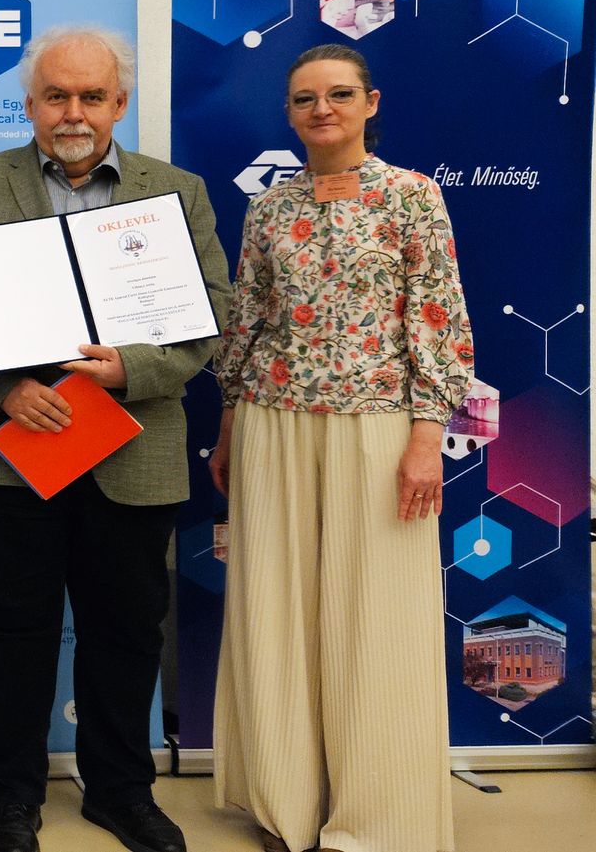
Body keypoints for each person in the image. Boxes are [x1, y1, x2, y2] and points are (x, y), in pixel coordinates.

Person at [0, 26, 230, 852]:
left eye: (92, 96)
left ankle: (121, 791)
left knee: (126, 633)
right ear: (30, 104)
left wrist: (131, 368)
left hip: (134, 449)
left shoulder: (178, 193)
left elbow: (213, 310)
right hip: (11, 453)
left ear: (119, 104)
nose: (73, 112)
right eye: (56, 95)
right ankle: (12, 794)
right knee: (6, 632)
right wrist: (0, 391)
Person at [209, 44, 472, 852]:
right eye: (304, 98)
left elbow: (438, 319)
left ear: (370, 102)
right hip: (272, 422)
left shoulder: (413, 197)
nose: (321, 108)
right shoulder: (268, 209)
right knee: (276, 611)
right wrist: (228, 425)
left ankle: (375, 818)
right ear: (288, 113)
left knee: (375, 618)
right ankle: (285, 807)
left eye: (338, 94)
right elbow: (247, 322)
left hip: (379, 425)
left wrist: (426, 434)